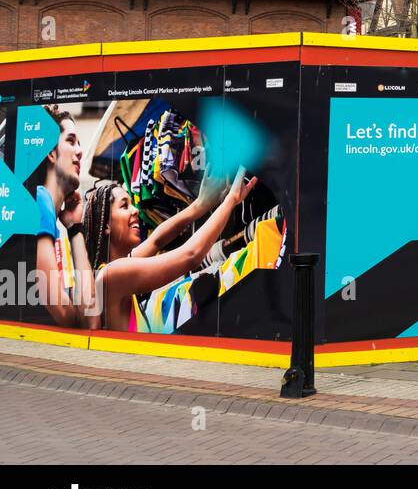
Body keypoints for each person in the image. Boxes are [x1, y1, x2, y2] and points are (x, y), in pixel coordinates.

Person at [82, 169, 258, 333]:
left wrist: (200, 204)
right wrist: (231, 200)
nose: (135, 210)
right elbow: (191, 255)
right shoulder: (111, 275)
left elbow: (157, 239)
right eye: (124, 206)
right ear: (106, 226)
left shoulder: (111, 269)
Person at [28, 107, 93, 326]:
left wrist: (75, 227)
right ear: (51, 153)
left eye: (79, 144)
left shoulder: (48, 215)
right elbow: (66, 313)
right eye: (71, 141)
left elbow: (86, 315)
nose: (80, 151)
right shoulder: (40, 201)